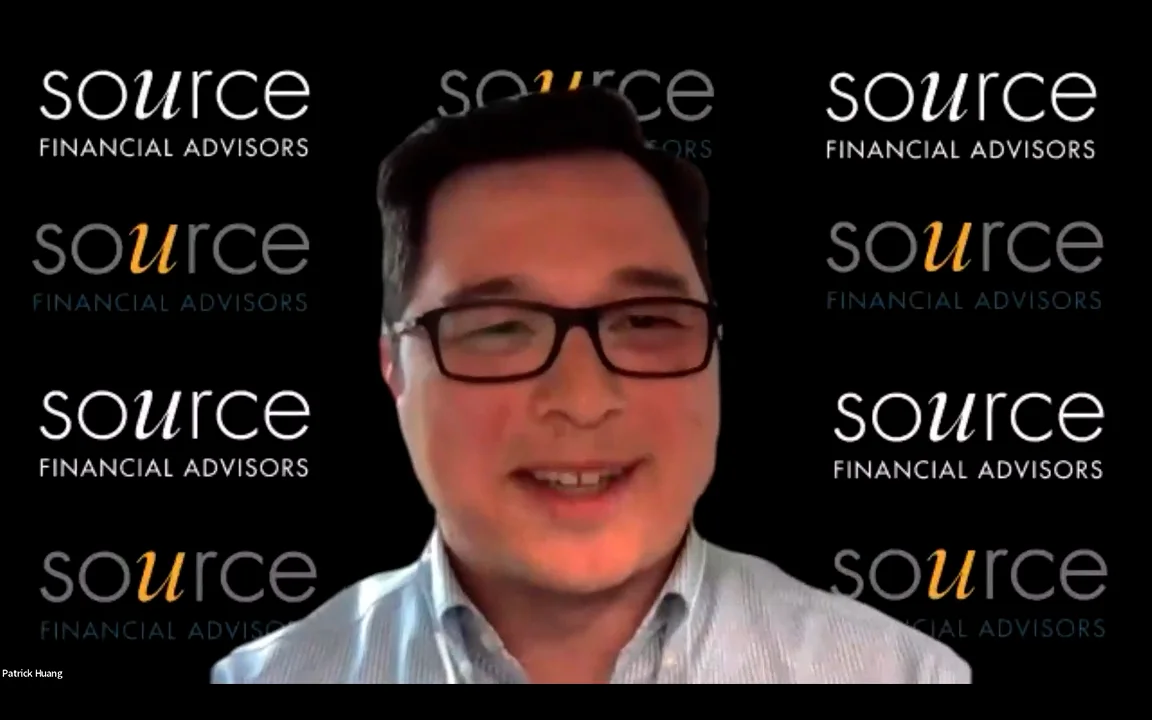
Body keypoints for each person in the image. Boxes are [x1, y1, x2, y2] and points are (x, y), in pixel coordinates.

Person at [210, 87, 971, 684]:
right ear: (393, 370)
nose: (581, 399)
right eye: (499, 329)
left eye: (645, 321)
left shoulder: (904, 674)